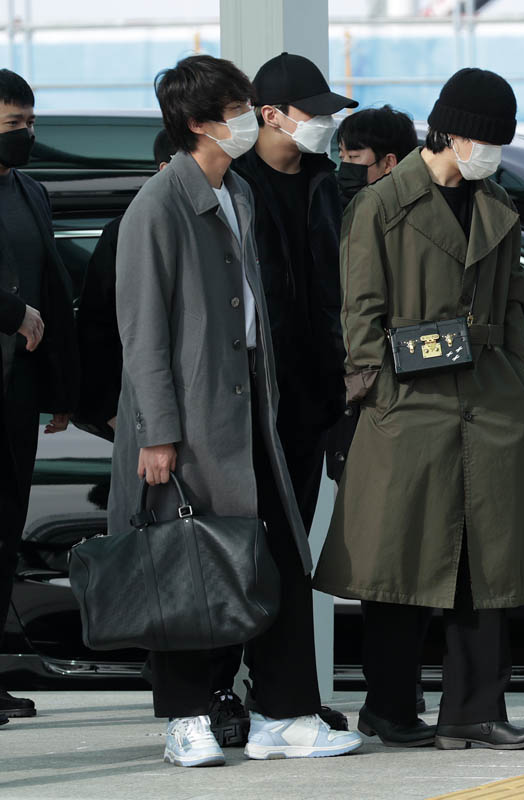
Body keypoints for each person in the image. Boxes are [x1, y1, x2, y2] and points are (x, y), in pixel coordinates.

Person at [111, 54, 361, 767]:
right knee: (185, 564)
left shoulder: (238, 193)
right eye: (236, 110)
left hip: (255, 409)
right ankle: (185, 716)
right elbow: (142, 332)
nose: (250, 119)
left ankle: (283, 713)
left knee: (276, 557)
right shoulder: (159, 204)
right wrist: (158, 433)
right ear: (198, 124)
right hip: (187, 420)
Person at [313, 68, 524, 752]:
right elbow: (359, 314)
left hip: (488, 401)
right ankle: (389, 707)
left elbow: (513, 306)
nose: (493, 153)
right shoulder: (381, 204)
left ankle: (476, 708)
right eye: (486, 140)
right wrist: (382, 393)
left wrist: (516, 383)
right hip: (409, 403)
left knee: (489, 563)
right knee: (401, 562)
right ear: (451, 133)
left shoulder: (496, 202)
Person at [201, 52, 358, 744]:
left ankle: (286, 694)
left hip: (312, 401)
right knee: (236, 550)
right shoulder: (233, 185)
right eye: (313, 113)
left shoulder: (329, 183)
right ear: (270, 115)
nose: (326, 124)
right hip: (246, 402)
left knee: (291, 555)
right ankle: (216, 692)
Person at [0, 68, 80, 724]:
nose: (25, 134)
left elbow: (53, 289)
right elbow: (23, 305)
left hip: (18, 393)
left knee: (6, 534)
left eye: (29, 123)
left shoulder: (31, 191)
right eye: (12, 124)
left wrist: (62, 387)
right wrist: (12, 312)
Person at [326, 104, 419, 484]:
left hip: (400, 383)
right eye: (341, 156)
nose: (344, 168)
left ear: (389, 162)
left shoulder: (414, 222)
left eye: (354, 158)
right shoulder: (331, 212)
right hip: (350, 386)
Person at [74, 129, 174, 440]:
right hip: (139, 413)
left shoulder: (229, 224)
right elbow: (96, 325)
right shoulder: (126, 231)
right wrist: (109, 411)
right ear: (166, 168)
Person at [333, 104, 418, 208]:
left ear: (388, 163)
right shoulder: (331, 206)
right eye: (341, 157)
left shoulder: (415, 211)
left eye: (353, 156)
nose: (345, 166)